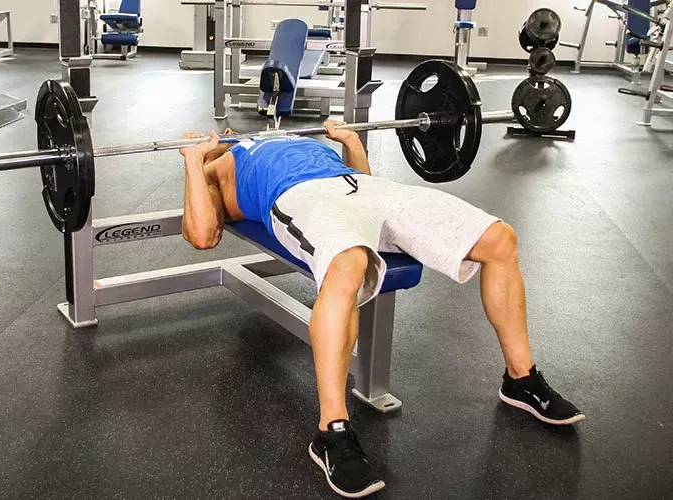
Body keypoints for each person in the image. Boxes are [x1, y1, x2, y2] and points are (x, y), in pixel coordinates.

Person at [179, 123, 584, 498]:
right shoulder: (219, 170)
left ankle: (521, 379)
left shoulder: (294, 137)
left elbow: (367, 182)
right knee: (348, 262)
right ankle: (331, 433)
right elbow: (201, 234)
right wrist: (195, 162)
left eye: (228, 132)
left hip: (366, 188)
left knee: (499, 238)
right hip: (299, 197)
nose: (227, 133)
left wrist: (352, 143)